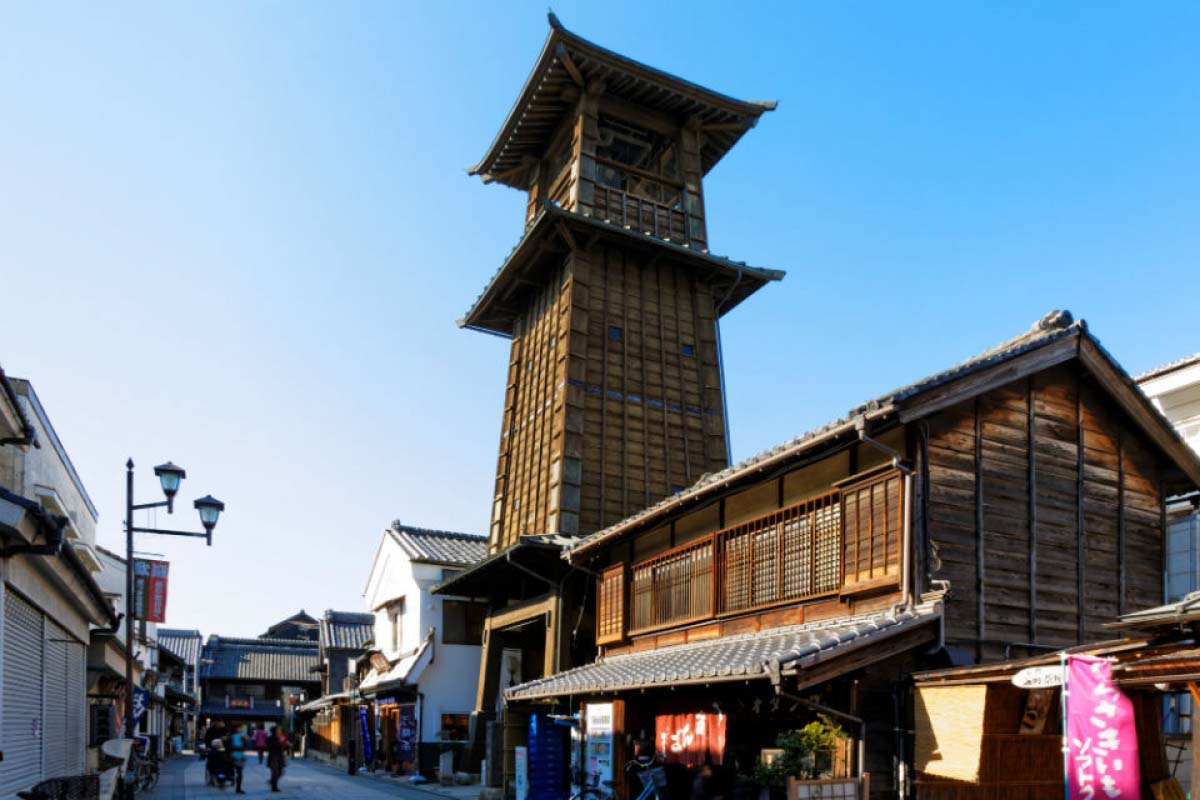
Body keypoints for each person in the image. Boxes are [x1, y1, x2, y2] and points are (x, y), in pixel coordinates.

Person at [226, 722, 248, 794]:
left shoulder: (242, 736)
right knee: (232, 772)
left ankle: (238, 788)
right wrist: (239, 748)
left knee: (240, 774)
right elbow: (228, 747)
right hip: (232, 757)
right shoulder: (230, 736)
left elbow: (245, 747)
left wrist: (246, 741)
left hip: (240, 757)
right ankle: (232, 781)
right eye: (240, 728)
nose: (241, 729)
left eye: (241, 728)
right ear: (236, 728)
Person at [267, 725, 287, 792]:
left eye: (280, 730)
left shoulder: (281, 737)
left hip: (280, 756)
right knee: (275, 772)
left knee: (280, 772)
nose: (280, 731)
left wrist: (286, 744)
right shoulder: (270, 738)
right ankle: (274, 787)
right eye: (279, 730)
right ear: (275, 731)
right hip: (273, 756)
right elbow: (269, 746)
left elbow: (283, 747)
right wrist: (278, 741)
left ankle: (272, 781)